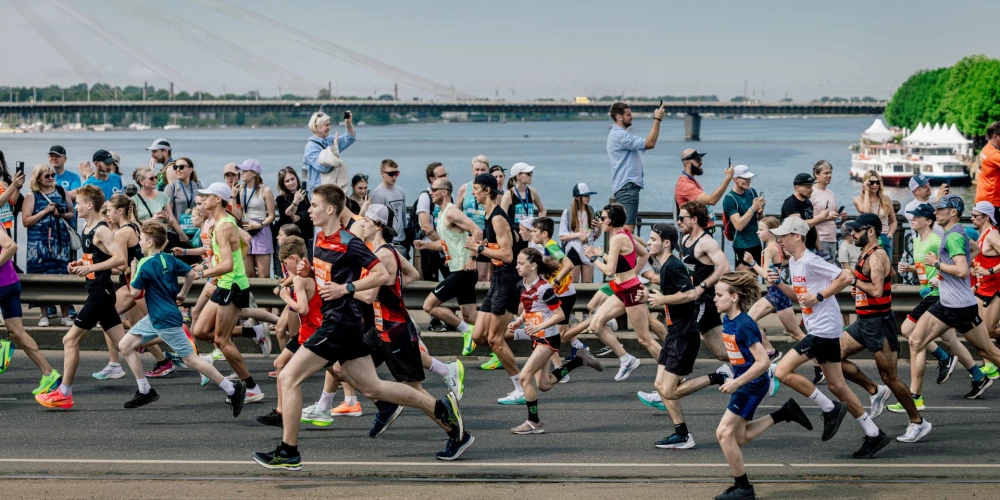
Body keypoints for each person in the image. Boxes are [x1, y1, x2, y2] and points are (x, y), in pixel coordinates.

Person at [252, 184, 470, 470]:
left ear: (330, 209)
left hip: (340, 323)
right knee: (374, 388)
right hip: (345, 324)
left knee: (288, 377)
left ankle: (288, 451)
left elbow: (380, 274)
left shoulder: (349, 241)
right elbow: (324, 278)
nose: (309, 210)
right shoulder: (318, 239)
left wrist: (347, 288)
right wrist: (309, 274)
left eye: (314, 205)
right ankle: (442, 411)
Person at [768, 217, 891, 459]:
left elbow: (844, 277)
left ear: (797, 236)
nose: (779, 240)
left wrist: (821, 297)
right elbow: (800, 296)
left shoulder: (812, 261)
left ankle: (829, 408)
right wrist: (780, 284)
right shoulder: (794, 262)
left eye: (783, 235)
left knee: (781, 372)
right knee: (837, 385)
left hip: (823, 329)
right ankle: (874, 433)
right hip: (821, 328)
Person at [117, 222, 248, 413]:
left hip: (164, 320)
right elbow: (189, 273)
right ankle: (144, 390)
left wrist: (134, 269)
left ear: (150, 242)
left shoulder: (144, 264)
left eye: (142, 240)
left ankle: (232, 388)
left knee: (191, 360)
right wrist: (183, 294)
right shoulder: (168, 259)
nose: (139, 243)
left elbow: (135, 291)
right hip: (156, 316)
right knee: (125, 345)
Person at [712, 272, 813, 500]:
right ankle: (784, 413)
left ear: (735, 297)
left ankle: (743, 488)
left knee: (724, 433)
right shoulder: (728, 320)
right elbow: (740, 356)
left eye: (719, 295)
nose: (715, 299)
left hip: (751, 384)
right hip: (744, 382)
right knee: (740, 437)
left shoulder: (745, 324)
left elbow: (763, 361)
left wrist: (737, 381)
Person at [838, 214, 929, 443]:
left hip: (879, 323)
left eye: (857, 230)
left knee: (890, 377)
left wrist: (853, 281)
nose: (853, 234)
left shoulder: (877, 256)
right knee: (830, 356)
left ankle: (918, 422)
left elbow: (877, 291)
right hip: (863, 322)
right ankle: (874, 390)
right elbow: (877, 284)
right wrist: (859, 290)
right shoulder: (865, 253)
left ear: (870, 231)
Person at [36, 186, 127, 409]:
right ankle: (150, 382)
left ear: (89, 205)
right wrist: (81, 264)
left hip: (101, 293)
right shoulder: (87, 227)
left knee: (69, 340)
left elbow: (121, 260)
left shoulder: (102, 230)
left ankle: (64, 393)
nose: (74, 206)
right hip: (98, 291)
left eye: (78, 203)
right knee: (126, 345)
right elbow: (95, 258)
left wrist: (91, 267)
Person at [909, 195, 1000, 401]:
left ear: (953, 212)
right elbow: (975, 249)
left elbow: (961, 271)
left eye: (940, 209)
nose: (935, 212)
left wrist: (937, 264)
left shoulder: (954, 236)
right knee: (915, 340)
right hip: (946, 303)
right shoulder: (954, 232)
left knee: (990, 352)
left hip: (960, 306)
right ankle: (915, 398)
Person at [891, 203, 977, 413]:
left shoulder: (940, 239)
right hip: (939, 297)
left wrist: (940, 275)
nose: (911, 220)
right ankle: (978, 375)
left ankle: (942, 361)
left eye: (916, 217)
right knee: (960, 343)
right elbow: (928, 265)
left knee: (913, 335)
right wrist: (910, 268)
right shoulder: (917, 240)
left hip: (940, 296)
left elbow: (959, 263)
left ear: (928, 221)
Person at [506, 248, 602, 434]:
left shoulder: (544, 288)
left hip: (548, 339)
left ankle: (533, 422)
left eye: (521, 263)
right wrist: (518, 321)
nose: (517, 266)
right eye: (517, 263)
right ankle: (577, 360)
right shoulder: (523, 284)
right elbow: (530, 307)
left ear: (532, 265)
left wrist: (539, 327)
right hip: (538, 337)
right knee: (544, 384)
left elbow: (559, 315)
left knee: (525, 377)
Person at [190, 182, 266, 403]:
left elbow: (227, 266)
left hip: (231, 285)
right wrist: (233, 263)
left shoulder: (223, 225)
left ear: (218, 199)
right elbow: (247, 242)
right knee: (201, 331)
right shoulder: (225, 221)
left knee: (222, 340)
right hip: (225, 283)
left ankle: (251, 388)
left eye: (207, 197)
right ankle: (254, 333)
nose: (203, 200)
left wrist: (203, 271)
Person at [642, 222, 715, 449]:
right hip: (675, 333)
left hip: (684, 334)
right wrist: (653, 295)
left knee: (670, 390)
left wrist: (662, 299)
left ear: (666, 243)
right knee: (659, 385)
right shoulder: (664, 266)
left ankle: (719, 377)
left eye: (653, 239)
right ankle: (681, 434)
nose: (648, 242)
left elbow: (691, 295)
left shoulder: (672, 266)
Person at [584, 204, 660, 381]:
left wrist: (593, 258)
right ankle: (626, 359)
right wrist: (633, 272)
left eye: (603, 219)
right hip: (621, 289)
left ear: (611, 220)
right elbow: (644, 254)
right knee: (596, 325)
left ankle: (673, 371)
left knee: (645, 339)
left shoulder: (617, 238)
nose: (601, 222)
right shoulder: (624, 233)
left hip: (631, 291)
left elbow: (609, 271)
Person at [464, 173, 523, 390]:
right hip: (497, 280)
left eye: (476, 188)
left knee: (495, 340)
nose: (473, 192)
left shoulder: (497, 218)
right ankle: (525, 332)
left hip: (507, 279)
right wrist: (482, 245)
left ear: (487, 190)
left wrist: (479, 248)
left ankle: (520, 387)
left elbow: (508, 256)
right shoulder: (489, 216)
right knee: (479, 336)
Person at [415, 178, 482, 356]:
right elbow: (446, 244)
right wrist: (425, 245)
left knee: (429, 305)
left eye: (434, 189)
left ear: (444, 192)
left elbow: (477, 231)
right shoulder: (442, 214)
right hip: (460, 270)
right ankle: (498, 346)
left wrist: (473, 258)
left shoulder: (452, 212)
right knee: (470, 316)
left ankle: (466, 331)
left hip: (463, 270)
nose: (431, 192)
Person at [0, 219, 62, 395]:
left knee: (16, 332)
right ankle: (49, 374)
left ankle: (2, 350)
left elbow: (11, 246)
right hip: (10, 283)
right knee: (17, 332)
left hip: (2, 285)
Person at [678, 201, 734, 372]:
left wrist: (702, 286)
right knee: (721, 353)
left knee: (682, 339)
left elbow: (724, 267)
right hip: (692, 300)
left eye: (682, 218)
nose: (679, 221)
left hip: (702, 302)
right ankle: (759, 366)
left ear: (694, 219)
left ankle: (670, 385)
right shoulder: (686, 239)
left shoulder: (706, 242)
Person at [22, 164, 75, 327]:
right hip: (38, 244)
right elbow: (26, 221)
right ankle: (43, 314)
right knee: (41, 276)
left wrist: (62, 214)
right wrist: (44, 211)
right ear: (38, 178)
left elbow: (71, 213)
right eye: (47, 175)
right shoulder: (32, 196)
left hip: (60, 242)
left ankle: (65, 315)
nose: (51, 178)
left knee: (62, 275)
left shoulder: (60, 191)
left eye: (52, 175)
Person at [745, 216, 803, 360]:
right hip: (774, 293)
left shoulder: (769, 250)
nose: (757, 232)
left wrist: (752, 263)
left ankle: (820, 363)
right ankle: (771, 352)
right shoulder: (778, 247)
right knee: (747, 320)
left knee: (796, 333)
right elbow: (784, 263)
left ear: (771, 232)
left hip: (778, 294)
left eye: (761, 229)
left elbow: (766, 275)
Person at [606, 101, 666, 232]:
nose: (631, 116)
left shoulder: (619, 134)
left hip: (625, 187)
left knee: (622, 230)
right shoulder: (620, 135)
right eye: (628, 114)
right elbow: (649, 143)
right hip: (627, 187)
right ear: (619, 117)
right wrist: (657, 119)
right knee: (627, 230)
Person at [971, 201, 1000, 378]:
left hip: (995, 290)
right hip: (983, 288)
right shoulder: (982, 234)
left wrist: (990, 270)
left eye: (975, 216)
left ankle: (992, 365)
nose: (972, 218)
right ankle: (990, 365)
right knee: (979, 330)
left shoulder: (993, 235)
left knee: (987, 330)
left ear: (986, 217)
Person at [234, 159, 276, 279]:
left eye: (245, 170)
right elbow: (237, 216)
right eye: (241, 170)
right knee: (248, 274)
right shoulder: (241, 189)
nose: (241, 173)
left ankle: (263, 297)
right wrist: (233, 196)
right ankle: (249, 297)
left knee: (264, 274)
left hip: (261, 228)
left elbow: (271, 215)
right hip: (246, 227)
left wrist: (260, 225)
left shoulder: (266, 190)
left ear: (254, 173)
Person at [722, 165, 764, 271]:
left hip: (756, 242)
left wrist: (760, 212)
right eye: (745, 178)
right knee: (743, 280)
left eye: (749, 178)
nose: (749, 180)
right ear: (735, 179)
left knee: (754, 278)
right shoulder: (730, 199)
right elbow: (738, 225)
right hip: (742, 245)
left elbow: (759, 218)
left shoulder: (752, 192)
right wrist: (753, 208)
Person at [456, 156, 491, 281]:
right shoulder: (465, 188)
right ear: (472, 170)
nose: (480, 173)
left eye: (483, 170)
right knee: (465, 272)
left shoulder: (491, 190)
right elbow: (456, 211)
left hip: (485, 235)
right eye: (477, 169)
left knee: (482, 275)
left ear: (488, 170)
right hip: (467, 234)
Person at [303, 111, 356, 192]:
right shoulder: (310, 148)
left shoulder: (329, 140)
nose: (329, 128)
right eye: (326, 125)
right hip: (320, 193)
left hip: (333, 191)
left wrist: (348, 124)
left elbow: (349, 138)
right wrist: (334, 149)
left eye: (329, 124)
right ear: (316, 127)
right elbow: (323, 168)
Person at [560, 183, 601, 284]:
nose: (588, 198)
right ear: (577, 197)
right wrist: (578, 235)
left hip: (588, 248)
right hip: (573, 248)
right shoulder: (568, 212)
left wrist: (599, 226)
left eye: (589, 196)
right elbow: (562, 236)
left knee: (587, 283)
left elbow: (596, 236)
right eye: (585, 196)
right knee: (573, 283)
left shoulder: (593, 210)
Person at [674, 149, 735, 219]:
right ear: (687, 163)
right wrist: (728, 177)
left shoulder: (691, 180)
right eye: (697, 160)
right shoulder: (685, 185)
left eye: (700, 159)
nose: (701, 163)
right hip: (694, 228)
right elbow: (711, 200)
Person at [416, 162, 451, 281]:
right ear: (432, 179)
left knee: (451, 279)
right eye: (441, 176)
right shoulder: (425, 196)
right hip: (430, 247)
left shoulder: (448, 195)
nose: (445, 178)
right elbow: (425, 226)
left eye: (446, 175)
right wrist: (443, 245)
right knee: (431, 282)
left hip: (445, 246)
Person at [162, 157, 202, 258]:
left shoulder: (198, 186)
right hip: (176, 234)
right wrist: (180, 233)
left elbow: (203, 208)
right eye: (176, 167)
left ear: (190, 169)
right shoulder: (171, 187)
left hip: (194, 233)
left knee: (193, 267)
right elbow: (168, 213)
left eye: (181, 167)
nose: (178, 169)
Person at [781, 173, 831, 252]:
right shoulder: (790, 203)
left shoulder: (808, 202)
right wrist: (821, 217)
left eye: (811, 187)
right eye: (807, 187)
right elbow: (798, 226)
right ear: (797, 187)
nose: (811, 190)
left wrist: (819, 249)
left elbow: (813, 226)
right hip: (798, 250)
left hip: (811, 247)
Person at [853, 170, 897, 259]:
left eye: (877, 182)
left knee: (887, 267)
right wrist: (866, 192)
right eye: (871, 183)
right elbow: (866, 212)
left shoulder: (886, 199)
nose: (875, 185)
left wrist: (890, 234)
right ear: (866, 183)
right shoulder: (858, 199)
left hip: (884, 237)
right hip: (868, 237)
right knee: (869, 267)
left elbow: (893, 221)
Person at [811, 160, 848, 263]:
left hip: (832, 239)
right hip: (818, 239)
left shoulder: (831, 193)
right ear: (816, 174)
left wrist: (841, 217)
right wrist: (826, 217)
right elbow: (806, 219)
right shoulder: (811, 193)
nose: (829, 175)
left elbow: (835, 219)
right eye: (826, 173)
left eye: (830, 173)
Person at [369, 159, 408, 258]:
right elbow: (376, 220)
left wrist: (407, 234)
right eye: (391, 174)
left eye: (396, 173)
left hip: (402, 240)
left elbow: (403, 216)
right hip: (388, 241)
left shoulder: (401, 191)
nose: (394, 177)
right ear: (382, 174)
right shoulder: (378, 194)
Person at [274, 166, 313, 263]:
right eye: (287, 181)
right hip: (288, 238)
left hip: (305, 236)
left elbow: (310, 211)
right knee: (287, 264)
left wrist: (299, 216)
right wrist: (296, 201)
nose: (291, 183)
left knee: (305, 263)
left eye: (292, 179)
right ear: (283, 184)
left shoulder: (308, 195)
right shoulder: (281, 199)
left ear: (297, 178)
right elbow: (287, 214)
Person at [501, 162, 546, 227]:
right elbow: (503, 219)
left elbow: (543, 210)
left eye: (531, 173)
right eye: (528, 174)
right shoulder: (508, 195)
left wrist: (537, 227)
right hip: (515, 234)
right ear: (518, 176)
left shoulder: (532, 192)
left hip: (530, 235)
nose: (531, 176)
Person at [975, 121, 1000, 221]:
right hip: (992, 202)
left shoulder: (986, 149)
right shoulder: (994, 155)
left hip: (983, 199)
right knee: (994, 234)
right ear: (996, 136)